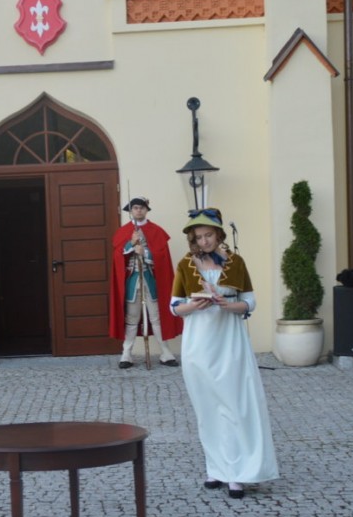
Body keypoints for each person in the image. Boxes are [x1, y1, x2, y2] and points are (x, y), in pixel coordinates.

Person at [169, 208, 278, 499]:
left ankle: (238, 472)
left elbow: (250, 302)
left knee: (234, 404)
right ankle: (216, 468)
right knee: (207, 408)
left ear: (218, 235)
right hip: (198, 342)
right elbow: (175, 306)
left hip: (230, 340)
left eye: (208, 235)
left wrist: (228, 305)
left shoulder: (236, 262)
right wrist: (194, 306)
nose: (204, 241)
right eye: (199, 237)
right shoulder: (185, 264)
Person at [109, 197, 182, 368]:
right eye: (135, 208)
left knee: (156, 317)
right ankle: (127, 353)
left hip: (150, 280)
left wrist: (146, 253)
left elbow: (162, 258)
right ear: (131, 211)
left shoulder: (156, 231)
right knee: (132, 318)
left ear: (146, 210)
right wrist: (130, 243)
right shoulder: (123, 231)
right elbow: (118, 255)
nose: (138, 210)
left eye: (142, 207)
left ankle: (166, 352)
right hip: (132, 281)